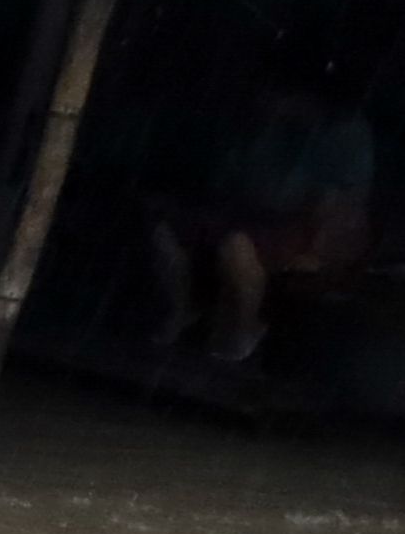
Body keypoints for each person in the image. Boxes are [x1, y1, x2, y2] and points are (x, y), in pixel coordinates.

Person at [143, 74, 374, 369]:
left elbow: (337, 210)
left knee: (235, 245)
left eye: (276, 95)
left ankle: (242, 332)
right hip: (247, 215)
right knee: (165, 223)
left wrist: (315, 251)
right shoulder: (259, 124)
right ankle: (181, 310)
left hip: (305, 230)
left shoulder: (339, 132)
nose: (264, 100)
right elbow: (232, 178)